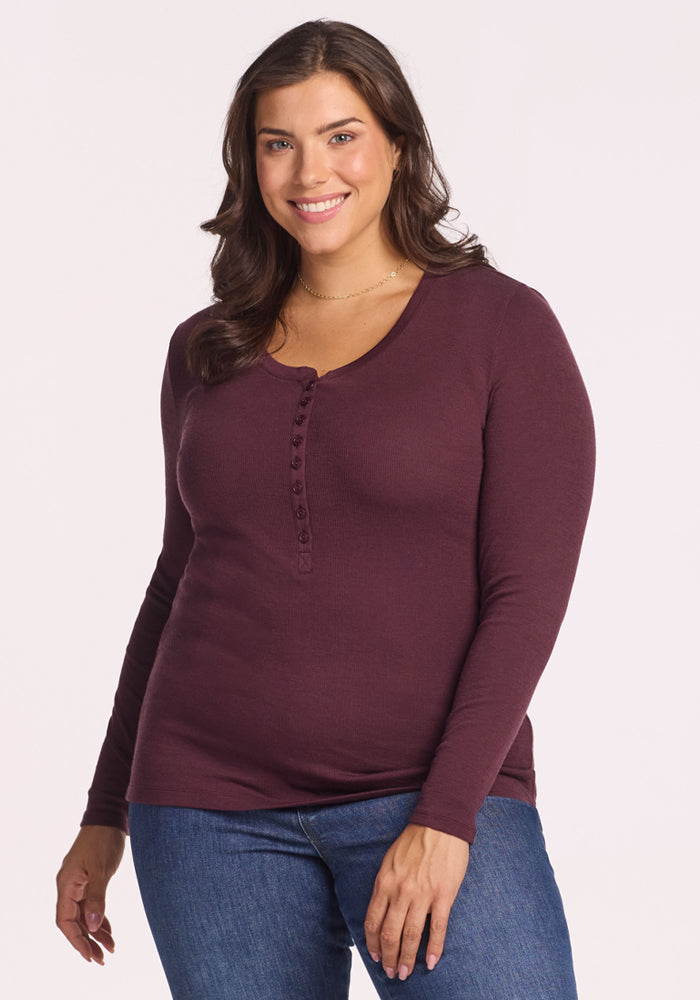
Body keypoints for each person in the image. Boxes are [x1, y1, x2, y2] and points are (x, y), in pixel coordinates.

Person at [56, 19, 595, 1000]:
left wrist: (447, 815)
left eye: (341, 135)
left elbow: (525, 593)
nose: (311, 171)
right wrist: (106, 809)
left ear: (397, 143)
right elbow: (178, 577)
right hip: (206, 813)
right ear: (249, 161)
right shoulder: (205, 347)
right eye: (279, 142)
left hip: (432, 794)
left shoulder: (503, 327)